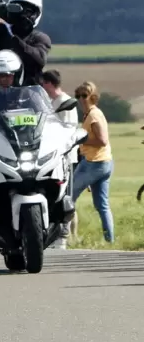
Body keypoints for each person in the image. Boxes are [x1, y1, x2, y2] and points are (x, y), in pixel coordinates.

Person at [41, 69, 79, 247]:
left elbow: (68, 130)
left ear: (48, 83)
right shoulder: (51, 102)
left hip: (65, 157)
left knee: (64, 196)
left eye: (43, 83)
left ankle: (62, 237)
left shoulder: (65, 103)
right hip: (50, 156)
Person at [72, 81, 114, 243]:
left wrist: (80, 138)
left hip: (93, 163)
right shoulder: (92, 113)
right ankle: (110, 240)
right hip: (104, 162)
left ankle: (62, 237)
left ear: (93, 96)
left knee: (67, 198)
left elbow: (102, 140)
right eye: (78, 96)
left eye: (85, 95)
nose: (81, 99)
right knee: (102, 205)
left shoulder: (93, 115)